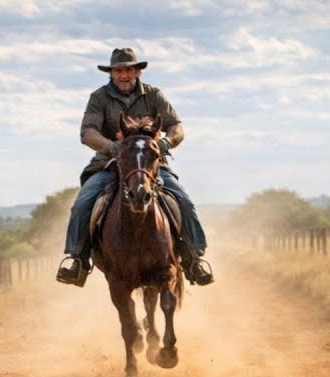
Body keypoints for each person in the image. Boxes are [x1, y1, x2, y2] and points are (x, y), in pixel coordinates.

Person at [57, 47, 214, 288]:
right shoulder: (99, 98)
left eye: (129, 70)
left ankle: (194, 259)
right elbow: (87, 133)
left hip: (149, 164)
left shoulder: (154, 95)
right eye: (119, 71)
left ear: (137, 71)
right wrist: (113, 147)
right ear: (111, 73)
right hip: (109, 163)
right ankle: (77, 260)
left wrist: (165, 143)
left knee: (184, 201)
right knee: (82, 204)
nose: (124, 75)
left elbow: (176, 127)